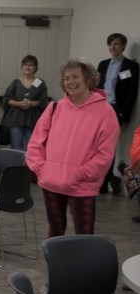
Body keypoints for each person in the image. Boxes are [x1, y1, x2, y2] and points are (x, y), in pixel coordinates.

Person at [26, 59, 119, 238]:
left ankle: (83, 267)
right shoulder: (55, 107)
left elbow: (105, 153)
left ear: (88, 79)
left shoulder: (106, 112)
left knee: (84, 235)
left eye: (75, 76)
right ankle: (57, 266)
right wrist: (41, 168)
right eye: (66, 78)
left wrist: (82, 173)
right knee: (55, 231)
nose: (70, 82)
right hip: (51, 181)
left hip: (83, 184)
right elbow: (36, 142)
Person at [97, 32, 139, 194]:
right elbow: (96, 87)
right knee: (97, 145)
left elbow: (131, 93)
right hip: (99, 109)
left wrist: (122, 113)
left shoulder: (131, 66)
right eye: (110, 44)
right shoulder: (103, 64)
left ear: (123, 46)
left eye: (116, 44)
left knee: (108, 146)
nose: (112, 47)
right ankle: (109, 178)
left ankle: (105, 180)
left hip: (115, 110)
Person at [3, 55, 48, 151]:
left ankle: (29, 167)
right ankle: (16, 166)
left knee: (33, 149)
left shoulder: (40, 83)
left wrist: (32, 103)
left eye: (31, 65)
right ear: (21, 67)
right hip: (16, 120)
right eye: (25, 65)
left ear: (35, 68)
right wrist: (18, 103)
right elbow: (7, 99)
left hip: (33, 120)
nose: (28, 67)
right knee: (16, 148)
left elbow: (44, 101)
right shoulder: (15, 82)